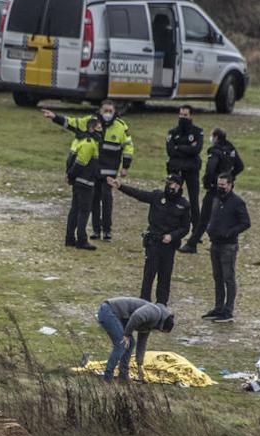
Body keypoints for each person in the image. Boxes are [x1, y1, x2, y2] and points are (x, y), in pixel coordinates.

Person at [42, 99, 134, 240]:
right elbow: (72, 122)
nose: (108, 113)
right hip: (94, 169)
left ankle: (107, 231)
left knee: (107, 198)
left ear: (115, 111)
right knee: (94, 199)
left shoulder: (121, 126)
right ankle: (96, 230)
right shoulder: (91, 121)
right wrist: (55, 117)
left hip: (109, 170)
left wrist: (125, 166)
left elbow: (128, 146)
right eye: (105, 110)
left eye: (111, 111)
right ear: (100, 110)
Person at [108, 173, 190, 304]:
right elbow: (139, 194)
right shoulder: (157, 196)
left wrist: (172, 236)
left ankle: (161, 306)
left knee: (165, 276)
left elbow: (185, 228)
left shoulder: (183, 205)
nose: (170, 186)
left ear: (179, 186)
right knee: (148, 275)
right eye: (168, 183)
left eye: (173, 184)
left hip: (169, 245)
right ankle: (144, 303)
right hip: (154, 242)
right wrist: (121, 186)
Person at [180, 127, 244, 254]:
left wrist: (208, 182)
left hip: (215, 189)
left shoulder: (215, 151)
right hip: (227, 188)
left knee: (204, 218)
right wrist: (230, 178)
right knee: (224, 216)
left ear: (215, 137)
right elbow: (240, 166)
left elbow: (210, 168)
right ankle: (224, 241)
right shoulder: (230, 148)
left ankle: (191, 244)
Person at [94, 296, 175, 383]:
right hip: (109, 311)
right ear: (162, 326)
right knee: (122, 343)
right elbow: (137, 316)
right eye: (162, 331)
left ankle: (123, 375)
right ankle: (107, 379)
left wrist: (139, 364)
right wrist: (126, 334)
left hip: (117, 316)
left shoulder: (152, 322)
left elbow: (142, 343)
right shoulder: (155, 312)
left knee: (131, 343)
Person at [204, 173, 250, 322]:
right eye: (219, 184)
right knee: (217, 277)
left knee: (228, 278)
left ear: (230, 185)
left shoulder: (237, 202)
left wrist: (229, 232)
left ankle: (228, 311)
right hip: (215, 244)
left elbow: (246, 222)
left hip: (228, 246)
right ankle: (218, 308)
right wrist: (209, 228)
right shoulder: (216, 199)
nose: (220, 187)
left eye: (223, 185)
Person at [65, 118, 102, 250]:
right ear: (91, 129)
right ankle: (81, 240)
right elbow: (80, 163)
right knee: (83, 211)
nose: (101, 131)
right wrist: (70, 176)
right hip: (85, 183)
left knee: (75, 210)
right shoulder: (89, 144)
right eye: (99, 128)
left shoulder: (83, 142)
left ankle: (69, 238)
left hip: (80, 182)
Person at [165, 105, 204, 230]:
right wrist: (188, 148)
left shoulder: (197, 131)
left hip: (192, 170)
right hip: (175, 170)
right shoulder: (172, 132)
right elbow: (170, 151)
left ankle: (196, 231)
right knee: (171, 197)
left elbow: (196, 150)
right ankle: (170, 226)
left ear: (191, 116)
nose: (182, 117)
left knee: (194, 201)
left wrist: (179, 147)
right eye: (181, 114)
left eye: (185, 115)